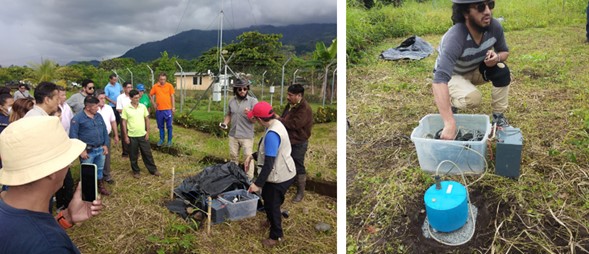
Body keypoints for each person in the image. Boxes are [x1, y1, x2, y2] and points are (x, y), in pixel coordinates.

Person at [0, 116, 103, 253]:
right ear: (51, 170)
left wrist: (67, 217)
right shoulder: (51, 247)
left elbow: (27, 232)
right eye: (66, 160)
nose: (69, 165)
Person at [433, 0, 510, 140]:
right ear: (465, 12)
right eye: (481, 7)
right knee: (473, 98)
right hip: (453, 75)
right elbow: (439, 80)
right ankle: (450, 103)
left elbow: (504, 52)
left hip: (475, 69)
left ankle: (498, 118)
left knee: (502, 70)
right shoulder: (455, 37)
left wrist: (497, 57)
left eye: (490, 5)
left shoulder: (494, 27)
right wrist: (449, 123)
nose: (487, 11)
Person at [244, 101, 296, 248]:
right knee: (268, 199)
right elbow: (267, 152)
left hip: (279, 176)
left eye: (254, 119)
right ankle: (270, 220)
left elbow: (269, 163)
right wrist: (252, 156)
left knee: (273, 204)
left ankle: (276, 236)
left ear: (260, 119)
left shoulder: (272, 134)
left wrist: (257, 184)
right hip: (284, 170)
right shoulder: (276, 124)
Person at [277, 84, 313, 202]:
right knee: (286, 163)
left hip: (299, 141)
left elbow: (294, 124)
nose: (287, 97)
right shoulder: (291, 105)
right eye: (288, 94)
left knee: (298, 165)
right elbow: (285, 117)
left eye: (290, 95)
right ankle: (286, 185)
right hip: (288, 140)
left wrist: (279, 119)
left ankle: (300, 192)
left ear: (299, 96)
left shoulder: (304, 108)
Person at [69, 96, 111, 196]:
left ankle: (100, 186)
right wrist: (81, 150)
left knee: (100, 169)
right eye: (95, 107)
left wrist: (105, 144)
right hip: (88, 151)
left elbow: (104, 130)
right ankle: (88, 192)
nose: (98, 108)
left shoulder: (98, 116)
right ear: (87, 107)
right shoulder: (77, 119)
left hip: (100, 148)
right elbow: (73, 136)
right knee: (87, 172)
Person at [220, 78, 258, 179]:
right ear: (236, 90)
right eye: (240, 89)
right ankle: (234, 177)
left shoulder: (253, 102)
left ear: (247, 89)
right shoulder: (231, 101)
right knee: (233, 157)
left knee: (248, 158)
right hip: (233, 134)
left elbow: (255, 120)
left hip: (246, 136)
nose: (242, 91)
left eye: (245, 89)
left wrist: (249, 114)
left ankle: (249, 179)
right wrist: (225, 123)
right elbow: (229, 114)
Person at [122, 89, 160, 178]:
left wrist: (147, 132)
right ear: (130, 98)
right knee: (133, 155)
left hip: (142, 135)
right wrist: (126, 136)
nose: (137, 99)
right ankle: (136, 171)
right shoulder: (126, 108)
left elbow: (147, 119)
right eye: (135, 98)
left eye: (138, 97)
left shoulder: (142, 107)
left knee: (147, 153)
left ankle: (153, 170)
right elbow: (124, 122)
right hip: (132, 136)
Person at [96, 89, 119, 184]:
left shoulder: (109, 108)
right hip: (96, 137)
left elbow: (113, 121)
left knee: (107, 156)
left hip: (107, 136)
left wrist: (116, 135)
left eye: (104, 98)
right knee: (96, 156)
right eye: (101, 98)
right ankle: (97, 177)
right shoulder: (94, 109)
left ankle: (106, 175)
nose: (103, 100)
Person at [150, 72, 175, 147]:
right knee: (160, 126)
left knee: (169, 126)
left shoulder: (169, 86)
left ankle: (169, 140)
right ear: (159, 79)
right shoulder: (155, 86)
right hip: (159, 110)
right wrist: (153, 103)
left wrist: (173, 107)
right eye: (161, 79)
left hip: (168, 109)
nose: (162, 81)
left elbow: (172, 96)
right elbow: (150, 95)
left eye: (164, 79)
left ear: (166, 79)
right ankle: (161, 139)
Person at [116, 82, 133, 157]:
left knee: (133, 134)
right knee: (124, 134)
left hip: (133, 118)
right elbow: (119, 109)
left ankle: (134, 151)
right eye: (128, 87)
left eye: (131, 87)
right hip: (124, 118)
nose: (130, 89)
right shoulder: (120, 97)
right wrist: (128, 111)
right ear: (124, 88)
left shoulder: (133, 96)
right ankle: (125, 152)